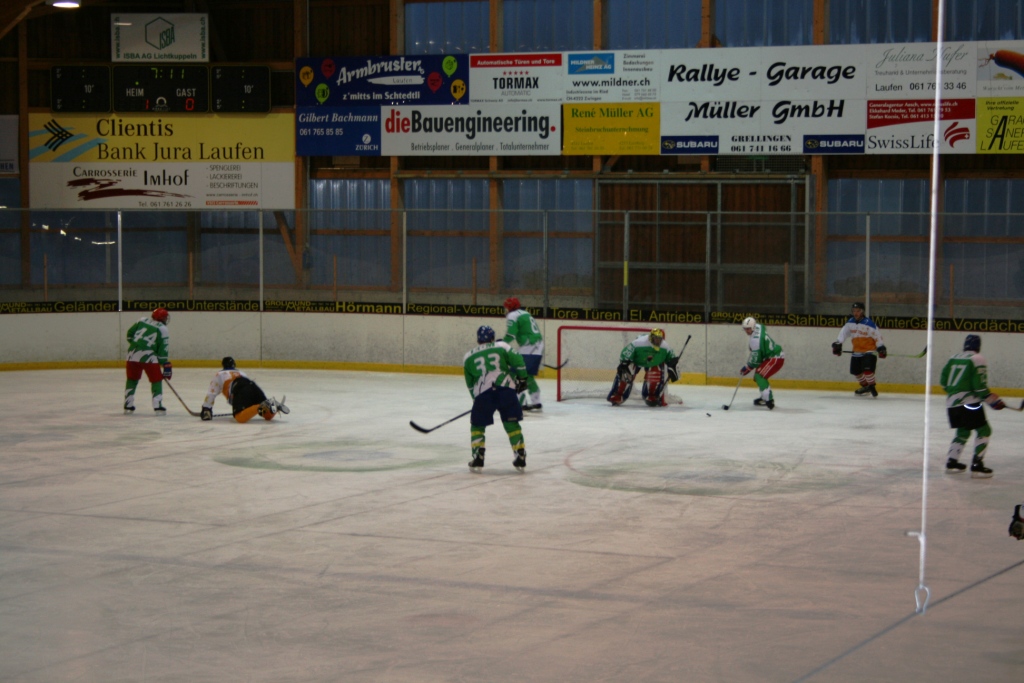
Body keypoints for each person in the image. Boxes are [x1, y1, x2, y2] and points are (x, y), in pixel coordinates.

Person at [463, 325, 528, 472]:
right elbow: (518, 360)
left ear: (478, 340)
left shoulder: (468, 357)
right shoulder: (502, 346)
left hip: (483, 394)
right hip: (506, 390)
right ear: (492, 338)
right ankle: (520, 454)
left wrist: (476, 399)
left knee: (477, 425)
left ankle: (478, 455)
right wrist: (523, 378)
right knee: (512, 424)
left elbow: (470, 384)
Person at [939, 334, 1005, 478]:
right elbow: (979, 386)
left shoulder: (953, 357)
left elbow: (943, 382)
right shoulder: (978, 359)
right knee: (984, 430)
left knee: (963, 431)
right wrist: (991, 399)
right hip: (969, 404)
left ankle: (952, 462)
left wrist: (955, 394)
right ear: (978, 346)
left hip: (951, 404)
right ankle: (977, 466)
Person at [201, 356, 289, 423]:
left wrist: (206, 409)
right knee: (267, 416)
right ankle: (272, 406)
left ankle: (260, 406)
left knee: (240, 417)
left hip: (239, 388)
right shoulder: (241, 372)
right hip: (252, 386)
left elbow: (211, 393)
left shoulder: (220, 374)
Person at [607, 328, 680, 407]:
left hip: (653, 363)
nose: (658, 341)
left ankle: (651, 395)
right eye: (656, 339)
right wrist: (624, 363)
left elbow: (672, 358)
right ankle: (618, 394)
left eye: (659, 339)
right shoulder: (638, 343)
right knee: (626, 371)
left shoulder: (665, 347)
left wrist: (673, 366)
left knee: (656, 371)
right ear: (651, 338)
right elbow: (626, 353)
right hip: (636, 361)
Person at [832, 301, 887, 397]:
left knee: (867, 371)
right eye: (854, 311)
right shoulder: (850, 323)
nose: (855, 313)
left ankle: (872, 386)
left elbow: (877, 336)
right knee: (855, 372)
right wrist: (838, 344)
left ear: (862, 311)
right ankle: (866, 387)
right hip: (856, 351)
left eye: (858, 311)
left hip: (869, 351)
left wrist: (881, 347)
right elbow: (843, 334)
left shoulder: (869, 324)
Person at [124, 307, 172, 415]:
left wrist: (137, 346)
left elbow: (129, 334)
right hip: (149, 357)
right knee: (156, 380)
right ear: (162, 318)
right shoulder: (162, 329)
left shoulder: (142, 320)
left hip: (132, 354)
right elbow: (163, 348)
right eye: (165, 317)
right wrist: (164, 363)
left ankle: (128, 405)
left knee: (132, 379)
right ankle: (157, 406)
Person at [502, 296, 544, 411]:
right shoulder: (525, 313)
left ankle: (521, 402)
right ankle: (536, 401)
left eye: (506, 307)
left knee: (515, 373)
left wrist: (501, 343)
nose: (505, 310)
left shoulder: (512, 315)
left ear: (510, 307)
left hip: (529, 345)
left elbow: (511, 334)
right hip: (537, 345)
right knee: (527, 375)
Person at [740, 317, 785, 410]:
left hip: (775, 358)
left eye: (748, 329)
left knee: (760, 376)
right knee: (758, 376)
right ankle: (764, 397)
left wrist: (747, 367)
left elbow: (756, 360)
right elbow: (763, 327)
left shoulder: (755, 341)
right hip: (771, 356)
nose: (747, 331)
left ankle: (769, 400)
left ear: (753, 327)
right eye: (745, 329)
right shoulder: (759, 326)